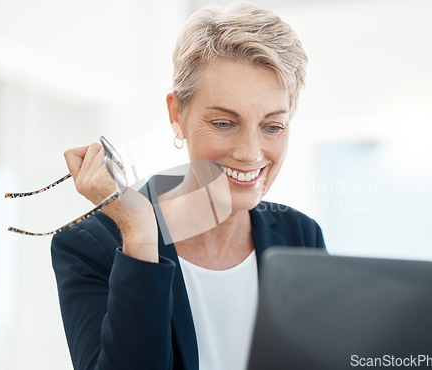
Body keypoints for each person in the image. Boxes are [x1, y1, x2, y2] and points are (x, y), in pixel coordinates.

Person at [51, 2, 326, 370]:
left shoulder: (300, 236)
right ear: (177, 115)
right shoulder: (90, 247)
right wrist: (139, 235)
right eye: (224, 123)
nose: (250, 153)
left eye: (272, 126)